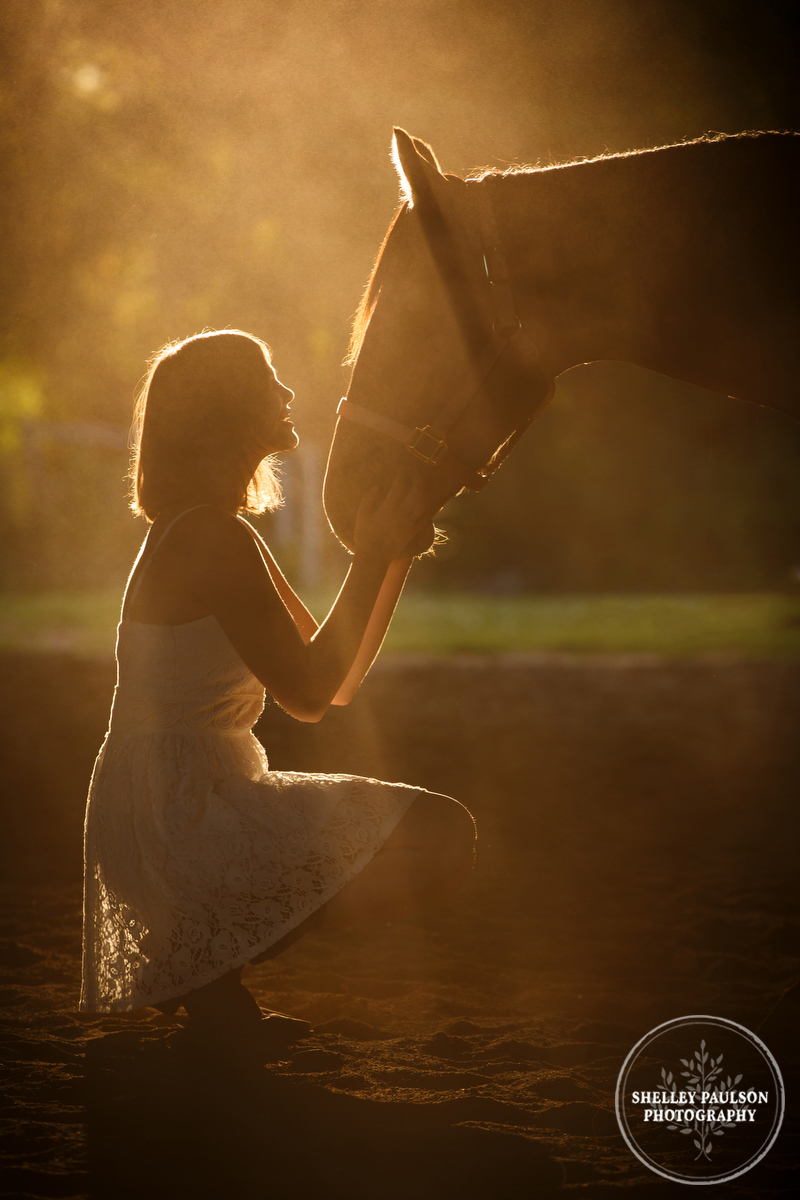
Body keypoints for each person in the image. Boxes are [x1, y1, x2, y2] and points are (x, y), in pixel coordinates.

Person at [80, 329, 475, 1047]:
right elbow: (313, 694)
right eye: (270, 381)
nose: (289, 394)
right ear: (228, 411)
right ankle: (208, 951)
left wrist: (390, 557)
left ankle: (211, 965)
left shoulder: (217, 531)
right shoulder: (211, 538)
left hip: (172, 804)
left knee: (440, 839)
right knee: (441, 839)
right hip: (179, 817)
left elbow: (338, 679)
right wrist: (376, 556)